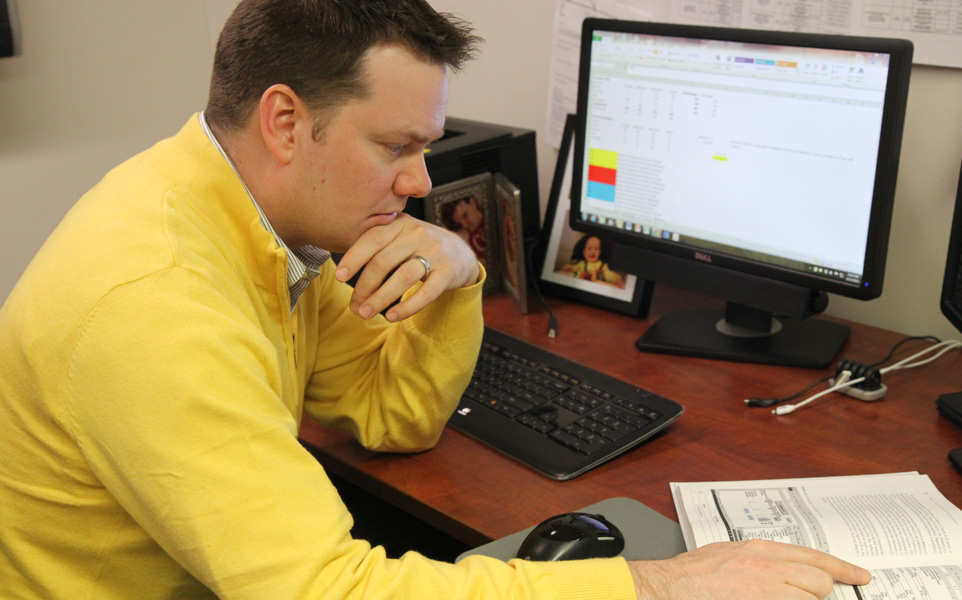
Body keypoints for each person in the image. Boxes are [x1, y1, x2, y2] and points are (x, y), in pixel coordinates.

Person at [0, 1, 872, 598]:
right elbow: (326, 590)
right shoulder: (157, 300)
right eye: (396, 147)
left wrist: (459, 272)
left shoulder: (265, 231)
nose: (420, 182)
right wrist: (658, 582)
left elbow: (394, 416)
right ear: (284, 121)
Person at [559, 234, 626, 288]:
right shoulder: (582, 264)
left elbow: (610, 275)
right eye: (589, 249)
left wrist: (618, 280)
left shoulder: (602, 266)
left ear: (600, 252)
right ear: (584, 252)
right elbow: (573, 268)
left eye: (596, 249)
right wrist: (567, 268)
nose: (592, 252)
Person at [441, 195, 487, 261]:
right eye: (459, 224)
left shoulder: (493, 214)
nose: (464, 225)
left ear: (473, 203)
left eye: (465, 215)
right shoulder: (464, 239)